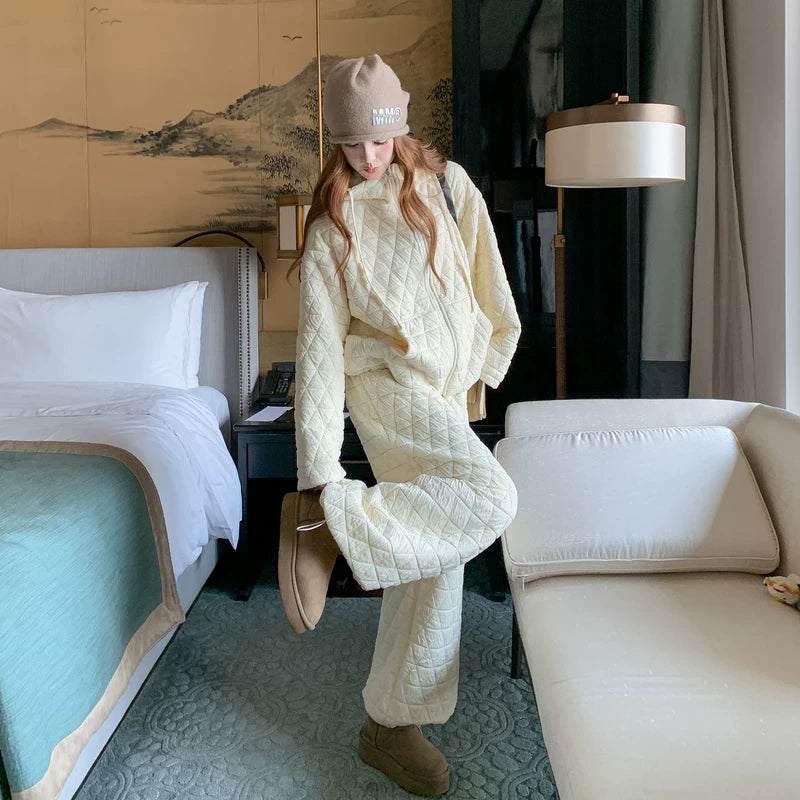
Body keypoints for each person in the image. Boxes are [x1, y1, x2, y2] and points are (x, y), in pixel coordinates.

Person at [278, 54, 521, 797]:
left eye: (379, 141)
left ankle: (390, 724)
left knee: (434, 557)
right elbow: (319, 356)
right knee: (490, 497)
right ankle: (331, 520)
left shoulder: (449, 186)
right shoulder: (332, 225)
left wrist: (479, 371)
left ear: (401, 127)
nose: (368, 157)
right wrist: (320, 472)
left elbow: (487, 285)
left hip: (442, 392)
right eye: (352, 145)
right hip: (383, 388)